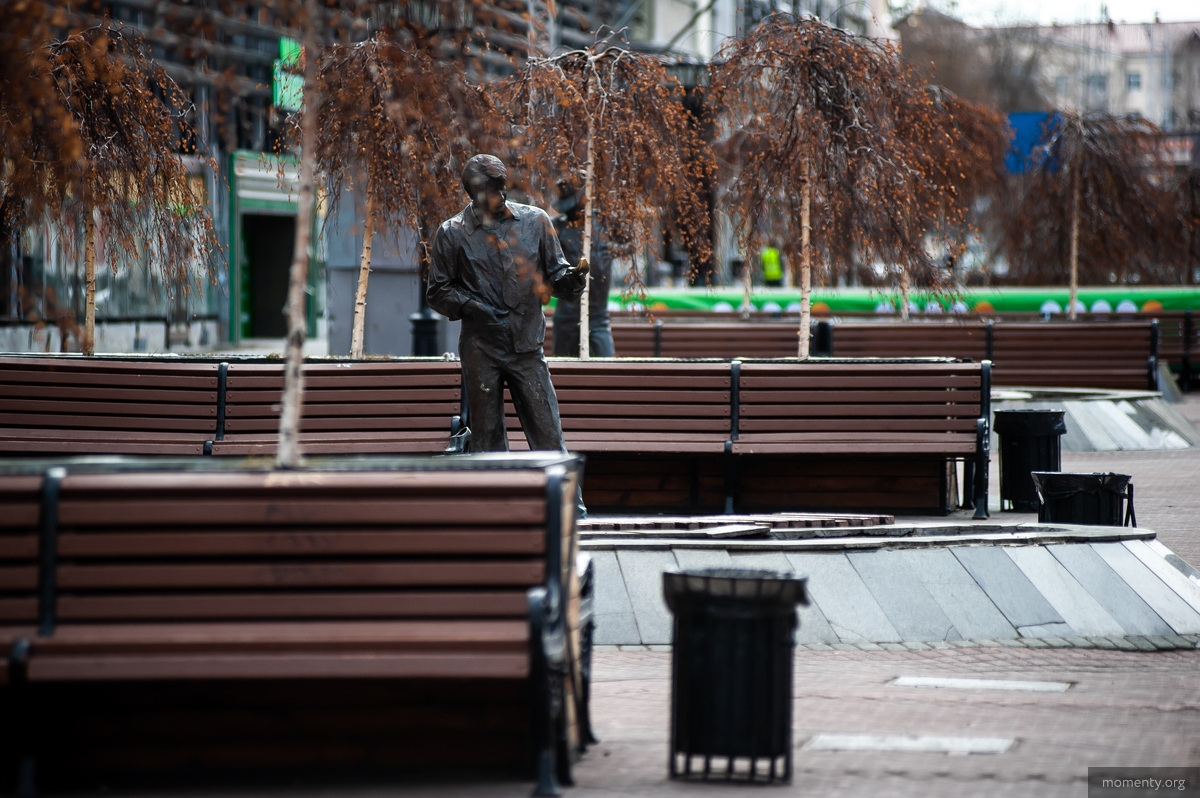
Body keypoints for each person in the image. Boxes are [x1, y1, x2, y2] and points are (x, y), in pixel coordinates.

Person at [426, 154, 589, 455]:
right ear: (473, 193)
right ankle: (493, 501)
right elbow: (438, 291)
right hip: (481, 350)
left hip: (527, 347)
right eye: (492, 190)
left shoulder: (536, 221)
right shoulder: (452, 233)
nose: (501, 195)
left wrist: (571, 282)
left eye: (503, 187)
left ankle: (568, 503)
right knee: (487, 443)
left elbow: (554, 275)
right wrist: (475, 308)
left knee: (549, 435)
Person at [551, 177, 615, 357]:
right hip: (567, 316)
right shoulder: (557, 227)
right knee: (562, 368)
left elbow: (630, 242)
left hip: (598, 316)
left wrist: (610, 251)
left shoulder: (603, 222)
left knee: (607, 364)